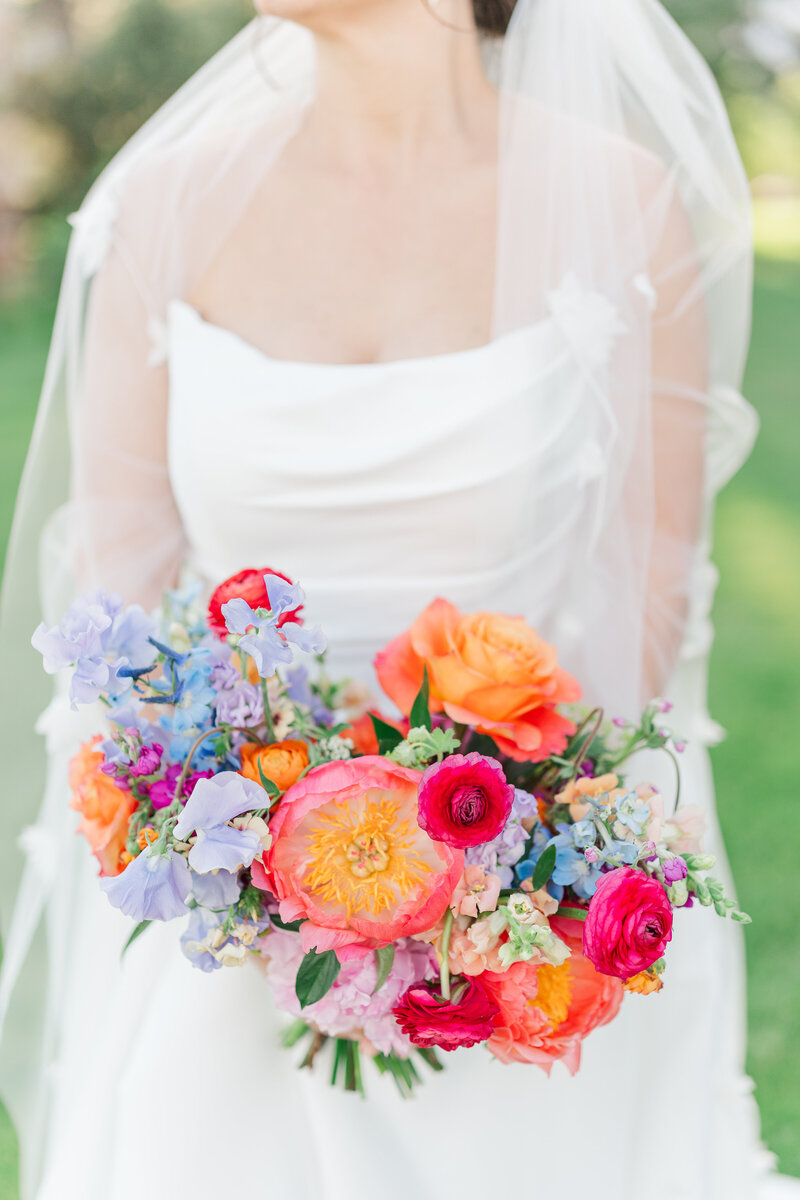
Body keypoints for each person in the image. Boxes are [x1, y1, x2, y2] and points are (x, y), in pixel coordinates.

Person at [0, 0, 794, 1197]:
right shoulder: (166, 201)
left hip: (515, 899)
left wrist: (487, 881)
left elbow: (647, 602)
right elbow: (123, 614)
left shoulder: (618, 202)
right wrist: (277, 882)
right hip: (236, 916)